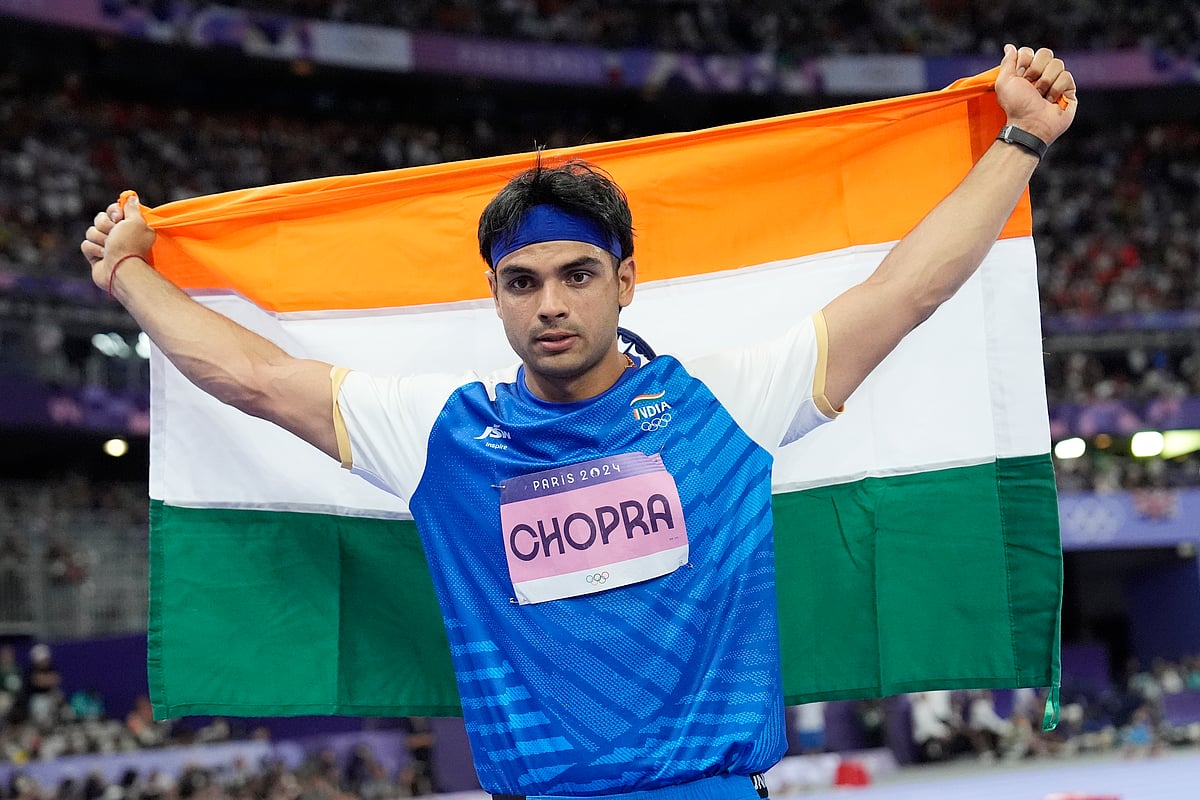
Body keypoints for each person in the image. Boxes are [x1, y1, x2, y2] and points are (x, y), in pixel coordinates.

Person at [81, 45, 1075, 800]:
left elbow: (904, 291)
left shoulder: (723, 403)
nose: (549, 302)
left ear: (625, 282)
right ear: (497, 299)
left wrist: (1020, 140)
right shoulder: (440, 433)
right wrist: (127, 269)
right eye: (522, 282)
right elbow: (253, 374)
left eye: (576, 274)